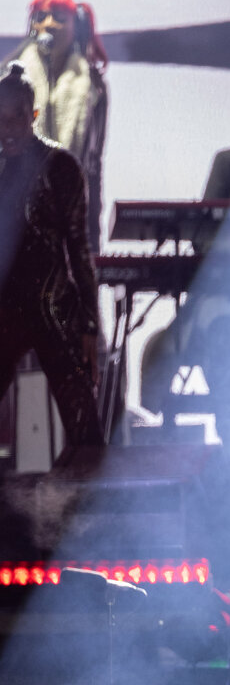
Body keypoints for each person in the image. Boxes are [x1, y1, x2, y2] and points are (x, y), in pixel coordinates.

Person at [0, 61, 103, 450]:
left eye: (16, 118)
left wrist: (90, 324)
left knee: (84, 429)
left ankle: (93, 503)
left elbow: (79, 249)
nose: (7, 129)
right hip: (5, 311)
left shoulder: (60, 166)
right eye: (0, 119)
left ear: (34, 116)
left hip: (53, 308)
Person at [12, 0, 108, 251]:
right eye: (41, 17)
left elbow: (93, 164)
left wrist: (92, 239)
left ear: (76, 26)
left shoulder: (93, 85)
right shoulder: (9, 82)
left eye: (59, 17)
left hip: (71, 211)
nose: (49, 25)